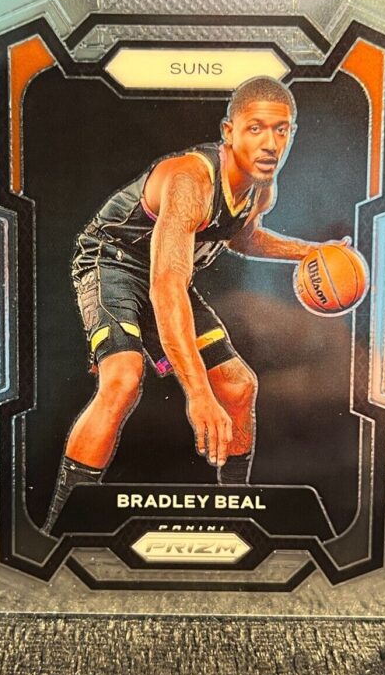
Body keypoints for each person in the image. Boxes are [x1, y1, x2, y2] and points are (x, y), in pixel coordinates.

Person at [42, 76, 348, 535]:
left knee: (239, 388)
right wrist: (199, 394)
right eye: (256, 128)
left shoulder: (262, 188)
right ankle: (59, 524)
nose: (270, 144)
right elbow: (166, 289)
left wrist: (310, 251)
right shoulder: (191, 181)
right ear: (229, 131)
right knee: (124, 379)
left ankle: (235, 512)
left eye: (281, 130)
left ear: (292, 133)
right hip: (113, 261)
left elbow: (241, 236)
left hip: (165, 275)